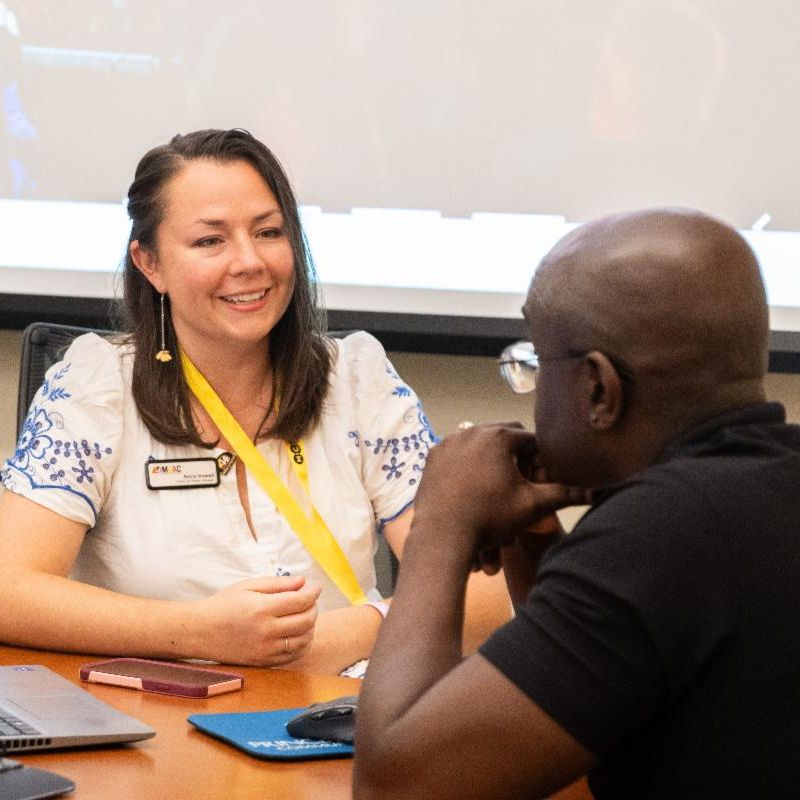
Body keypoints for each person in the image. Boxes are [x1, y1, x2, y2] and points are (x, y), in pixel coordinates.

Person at [354, 208, 800, 798]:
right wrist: (531, 534)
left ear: (597, 389)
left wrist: (442, 521)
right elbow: (600, 675)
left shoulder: (662, 534)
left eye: (537, 362)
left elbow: (397, 787)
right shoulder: (756, 487)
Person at [0, 128, 440, 674]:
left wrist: (355, 629)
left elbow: (483, 594)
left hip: (340, 720)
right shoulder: (98, 386)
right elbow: (9, 590)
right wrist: (200, 633)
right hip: (157, 729)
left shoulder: (356, 378)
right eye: (211, 241)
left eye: (269, 232)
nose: (250, 261)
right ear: (150, 263)